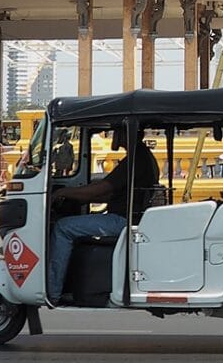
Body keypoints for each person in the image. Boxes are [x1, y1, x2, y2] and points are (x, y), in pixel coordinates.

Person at [46, 126, 159, 305]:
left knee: (62, 227)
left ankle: (52, 292)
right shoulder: (140, 157)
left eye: (117, 131)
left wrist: (64, 192)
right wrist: (79, 197)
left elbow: (102, 188)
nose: (114, 136)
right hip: (126, 216)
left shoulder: (135, 159)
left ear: (127, 133)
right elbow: (111, 193)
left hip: (122, 220)